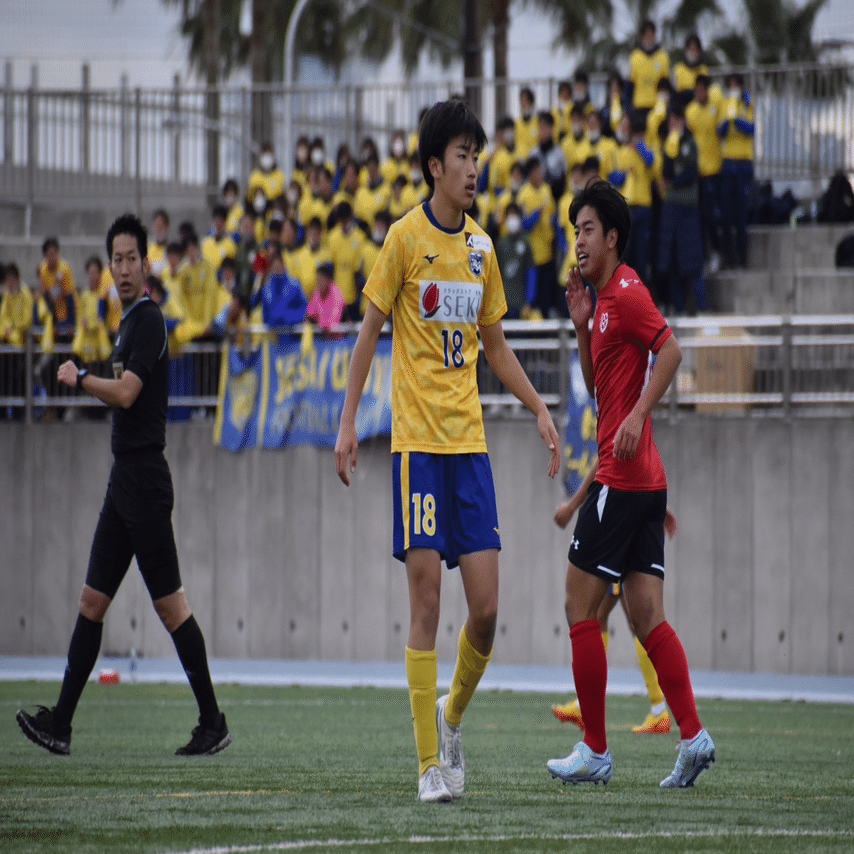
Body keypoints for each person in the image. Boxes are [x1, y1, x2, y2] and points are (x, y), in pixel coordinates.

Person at [334, 98, 561, 803]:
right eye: (462, 156)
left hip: (470, 448)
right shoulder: (404, 239)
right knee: (427, 600)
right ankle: (429, 766)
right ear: (435, 165)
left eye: (477, 156)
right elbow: (368, 333)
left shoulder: (483, 249)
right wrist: (348, 422)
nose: (473, 168)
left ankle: (452, 716)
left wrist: (538, 406)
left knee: (486, 612)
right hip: (417, 448)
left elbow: (496, 347)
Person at [16, 213, 231, 758]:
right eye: (117, 259)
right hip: (125, 480)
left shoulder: (149, 320)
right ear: (110, 265)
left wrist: (81, 377)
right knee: (92, 601)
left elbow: (129, 392)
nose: (125, 267)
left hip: (145, 480)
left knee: (172, 609)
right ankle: (61, 723)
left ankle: (213, 722)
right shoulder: (127, 321)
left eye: (133, 257)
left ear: (146, 263)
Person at [546, 179, 714, 789]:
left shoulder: (629, 290)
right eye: (575, 231)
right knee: (646, 616)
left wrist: (641, 414)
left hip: (622, 480)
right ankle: (693, 737)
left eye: (587, 230)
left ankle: (594, 749)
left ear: (612, 237)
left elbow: (670, 351)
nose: (579, 241)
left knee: (577, 604)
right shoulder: (602, 304)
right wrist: (581, 327)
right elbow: (599, 389)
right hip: (646, 483)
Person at [551, 459, 677, 734]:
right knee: (621, 620)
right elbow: (636, 462)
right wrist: (659, 506)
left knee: (617, 620)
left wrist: (572, 507)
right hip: (630, 514)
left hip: (617, 523)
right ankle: (660, 710)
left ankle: (659, 710)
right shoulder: (635, 439)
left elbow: (607, 461)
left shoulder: (620, 435)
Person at [657, 104, 706, 315]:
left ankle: (702, 306)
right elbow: (666, 172)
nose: (674, 125)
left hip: (688, 205)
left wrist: (674, 182)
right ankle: (678, 307)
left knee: (692, 258)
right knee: (670, 258)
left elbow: (691, 172)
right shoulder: (668, 144)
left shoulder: (691, 142)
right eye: (671, 122)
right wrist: (670, 150)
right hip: (671, 205)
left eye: (676, 121)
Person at [718, 73, 755, 269]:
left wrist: (736, 119)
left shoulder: (748, 103)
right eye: (730, 85)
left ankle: (742, 256)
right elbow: (721, 132)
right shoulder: (725, 104)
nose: (733, 88)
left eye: (736, 85)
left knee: (741, 215)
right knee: (726, 215)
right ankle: (728, 257)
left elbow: (751, 129)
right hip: (728, 164)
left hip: (743, 164)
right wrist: (727, 120)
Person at [495, 201, 536, 319]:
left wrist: (529, 301)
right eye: (510, 216)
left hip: (521, 303)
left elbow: (531, 272)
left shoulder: (525, 242)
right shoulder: (501, 243)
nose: (512, 219)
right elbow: (495, 275)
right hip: (503, 303)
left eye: (515, 215)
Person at [629, 19, 670, 120]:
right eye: (646, 35)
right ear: (642, 37)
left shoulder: (663, 56)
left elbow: (666, 85)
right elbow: (630, 85)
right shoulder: (635, 56)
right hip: (639, 107)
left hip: (657, 107)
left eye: (651, 34)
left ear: (655, 35)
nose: (649, 38)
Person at [306, 260, 345, 333]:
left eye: (321, 277)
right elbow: (310, 314)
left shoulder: (336, 293)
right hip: (321, 336)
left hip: (337, 337)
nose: (319, 281)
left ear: (328, 278)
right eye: (318, 277)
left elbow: (333, 321)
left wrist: (320, 322)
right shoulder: (318, 292)